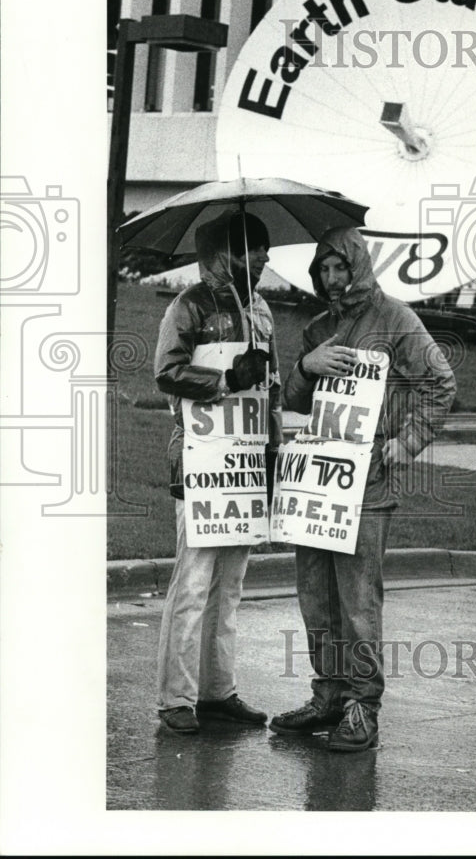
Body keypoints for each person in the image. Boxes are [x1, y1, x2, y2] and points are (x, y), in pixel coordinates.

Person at [269, 227, 457, 752]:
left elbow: (441, 384)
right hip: (318, 473)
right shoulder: (319, 327)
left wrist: (408, 440)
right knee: (316, 594)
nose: (331, 279)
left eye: (339, 268)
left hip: (369, 476)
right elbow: (297, 398)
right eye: (323, 270)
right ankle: (327, 694)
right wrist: (309, 366)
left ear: (358, 267)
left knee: (357, 599)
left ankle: (361, 706)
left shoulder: (395, 318)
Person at [154, 210, 282, 734]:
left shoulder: (262, 311)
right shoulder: (188, 307)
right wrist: (228, 376)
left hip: (246, 465)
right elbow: (167, 373)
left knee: (230, 587)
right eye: (258, 252)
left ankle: (217, 690)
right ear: (232, 253)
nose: (266, 262)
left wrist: (273, 455)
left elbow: (270, 391)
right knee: (193, 585)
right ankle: (175, 699)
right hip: (202, 463)